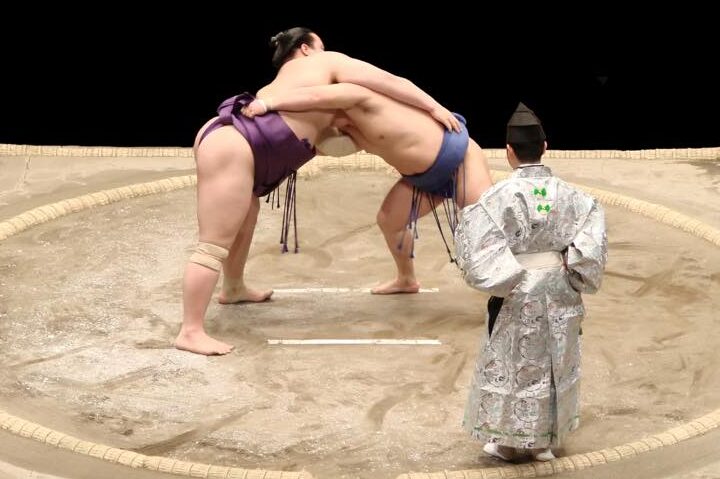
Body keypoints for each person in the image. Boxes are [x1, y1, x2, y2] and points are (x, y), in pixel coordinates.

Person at [175, 27, 460, 355]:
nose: (327, 51)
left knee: (246, 217)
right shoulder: (325, 63)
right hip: (234, 147)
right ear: (306, 48)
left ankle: (234, 287)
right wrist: (434, 107)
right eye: (322, 46)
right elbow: (391, 82)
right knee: (213, 245)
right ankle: (190, 331)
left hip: (235, 143)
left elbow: (318, 137)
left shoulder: (285, 83)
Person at [453, 102, 608, 461]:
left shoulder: (495, 198)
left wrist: (507, 277)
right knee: (555, 362)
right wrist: (569, 268)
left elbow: (477, 251)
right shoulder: (576, 197)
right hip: (561, 287)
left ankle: (509, 443)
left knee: (516, 365)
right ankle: (546, 442)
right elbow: (591, 245)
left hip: (517, 289)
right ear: (545, 147)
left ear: (509, 151)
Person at [241, 83, 495, 294]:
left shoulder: (358, 96)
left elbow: (315, 95)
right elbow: (301, 141)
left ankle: (513, 292)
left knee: (490, 229)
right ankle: (407, 280)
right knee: (390, 221)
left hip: (459, 160)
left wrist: (267, 103)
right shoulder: (343, 132)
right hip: (423, 180)